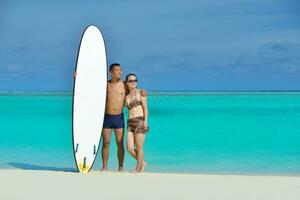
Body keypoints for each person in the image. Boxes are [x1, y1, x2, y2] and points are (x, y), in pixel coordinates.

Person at [75, 63, 126, 172]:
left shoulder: (124, 84)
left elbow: (135, 90)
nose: (120, 72)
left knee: (119, 143)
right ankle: (105, 167)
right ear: (111, 73)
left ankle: (120, 167)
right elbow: (89, 87)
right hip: (106, 117)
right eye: (117, 70)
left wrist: (143, 92)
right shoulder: (104, 84)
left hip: (119, 118)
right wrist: (78, 77)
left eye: (121, 70)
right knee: (106, 143)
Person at [124, 73, 149, 173]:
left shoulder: (141, 93)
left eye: (135, 80)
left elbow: (145, 108)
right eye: (130, 80)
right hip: (129, 122)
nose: (133, 82)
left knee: (139, 147)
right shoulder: (126, 95)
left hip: (140, 121)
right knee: (129, 148)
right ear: (126, 83)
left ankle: (138, 169)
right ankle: (142, 163)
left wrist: (145, 122)